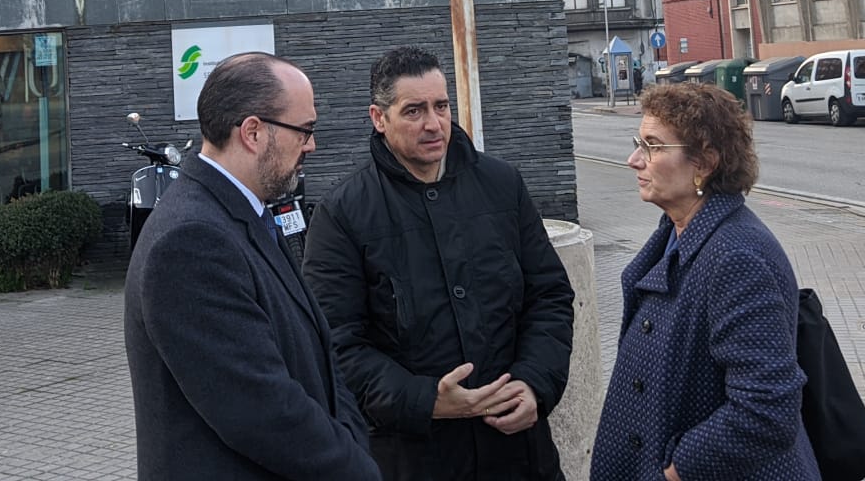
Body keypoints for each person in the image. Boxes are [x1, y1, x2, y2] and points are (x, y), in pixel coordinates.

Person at [302, 46, 575, 480]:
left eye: (441, 106)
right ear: (379, 118)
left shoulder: (502, 186)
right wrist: (423, 399)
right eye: (413, 110)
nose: (433, 123)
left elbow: (550, 296)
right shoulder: (343, 214)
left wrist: (535, 383)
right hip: (413, 458)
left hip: (520, 455)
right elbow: (335, 343)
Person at [125, 52, 380, 481]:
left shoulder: (245, 211)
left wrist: (354, 443)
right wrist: (359, 471)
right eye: (305, 130)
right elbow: (261, 409)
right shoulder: (189, 241)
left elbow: (322, 358)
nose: (312, 145)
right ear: (253, 132)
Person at [591, 82, 819, 481]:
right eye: (637, 143)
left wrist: (677, 471)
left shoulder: (736, 256)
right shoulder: (678, 231)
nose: (634, 160)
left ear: (705, 162)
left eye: (653, 146)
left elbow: (766, 409)